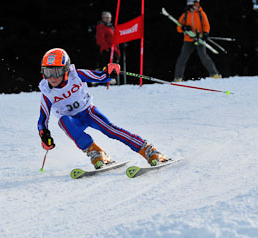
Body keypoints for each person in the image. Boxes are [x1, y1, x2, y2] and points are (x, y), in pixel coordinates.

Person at [37, 48, 168, 169]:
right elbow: (43, 119)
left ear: (66, 70)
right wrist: (44, 136)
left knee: (110, 130)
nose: (52, 78)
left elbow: (101, 76)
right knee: (63, 121)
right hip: (73, 121)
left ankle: (148, 150)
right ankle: (96, 152)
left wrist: (110, 70)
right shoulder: (47, 92)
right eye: (48, 72)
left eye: (56, 72)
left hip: (88, 112)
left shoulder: (76, 76)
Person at [173, 0, 221, 82]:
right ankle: (178, 77)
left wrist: (205, 33)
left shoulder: (201, 13)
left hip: (199, 39)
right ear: (190, 5)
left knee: (204, 57)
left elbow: (206, 24)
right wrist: (183, 28)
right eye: (195, 4)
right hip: (188, 40)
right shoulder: (185, 15)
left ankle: (214, 74)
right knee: (182, 58)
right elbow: (179, 27)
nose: (197, 6)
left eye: (198, 4)